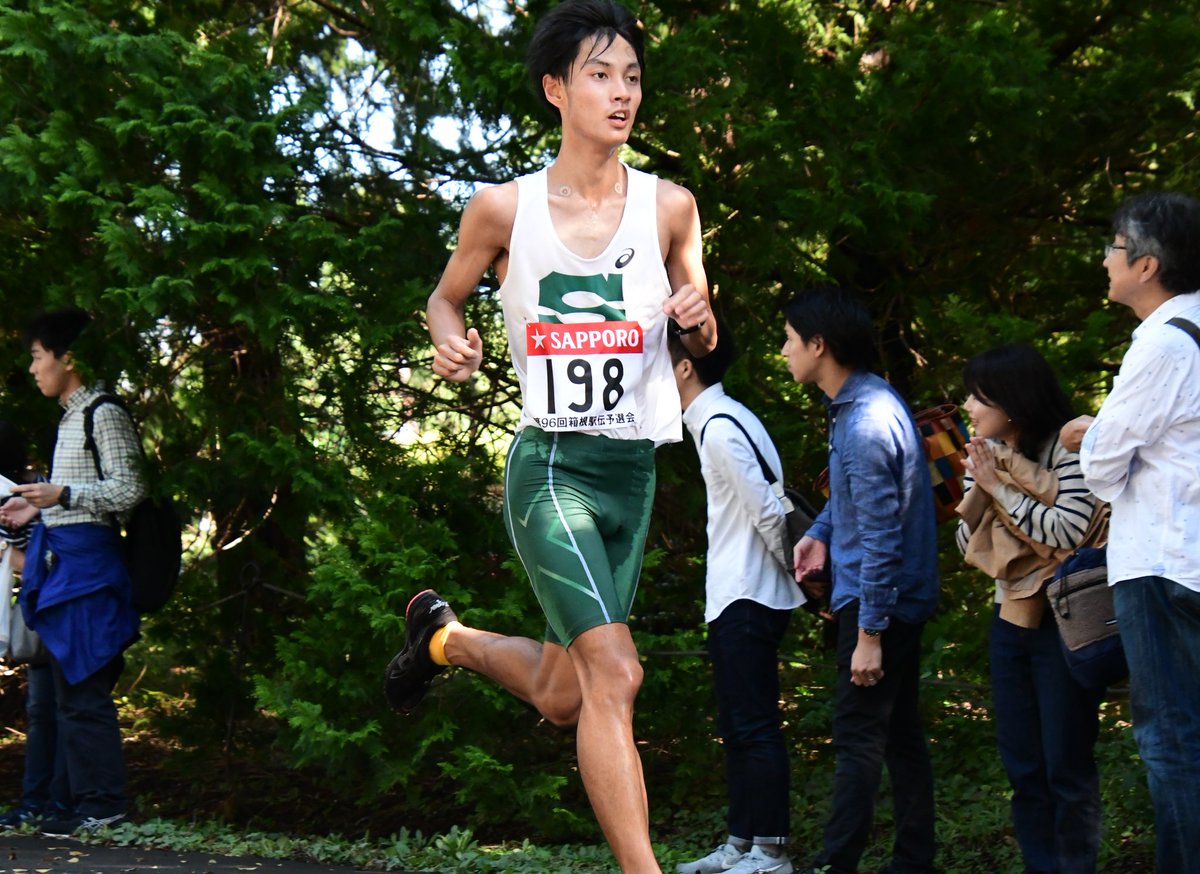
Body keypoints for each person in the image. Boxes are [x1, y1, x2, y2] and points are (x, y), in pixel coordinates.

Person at [383, 2, 715, 871]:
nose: (621, 92)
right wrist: (446, 336)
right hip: (554, 465)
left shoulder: (672, 207)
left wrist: (697, 316)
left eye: (632, 76)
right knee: (618, 675)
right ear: (555, 89)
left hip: (631, 472)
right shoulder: (503, 209)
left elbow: (703, 330)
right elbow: (445, 295)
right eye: (600, 75)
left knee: (568, 693)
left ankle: (443, 640)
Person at [1060, 191, 1200, 874]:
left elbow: (1104, 469)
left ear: (1146, 265)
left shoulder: (1163, 345)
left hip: (1164, 564)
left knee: (1171, 737)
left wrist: (1094, 436)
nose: (1105, 258)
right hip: (1188, 556)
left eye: (1114, 247)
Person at [783, 286, 938, 874]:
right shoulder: (864, 404)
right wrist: (819, 528)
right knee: (898, 735)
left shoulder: (867, 420)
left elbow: (881, 536)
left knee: (857, 738)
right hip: (893, 598)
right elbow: (859, 501)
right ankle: (913, 860)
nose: (784, 351)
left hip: (880, 602)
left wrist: (869, 631)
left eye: (791, 340)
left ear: (819, 345)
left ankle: (836, 863)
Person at [954, 344, 1106, 874]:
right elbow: (963, 540)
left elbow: (1070, 532)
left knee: (1066, 763)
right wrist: (986, 487)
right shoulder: (986, 450)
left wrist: (1002, 489)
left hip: (1066, 620)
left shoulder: (1068, 449)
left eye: (978, 396)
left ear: (1012, 399)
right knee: (1022, 763)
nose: (967, 406)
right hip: (1009, 617)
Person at [0, 308, 146, 837]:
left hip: (89, 571)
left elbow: (129, 490)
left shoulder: (101, 412)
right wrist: (37, 509)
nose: (34, 369)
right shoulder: (68, 415)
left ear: (68, 357)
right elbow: (80, 500)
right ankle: (72, 805)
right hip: (65, 568)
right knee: (65, 697)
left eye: (39, 357)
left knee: (84, 693)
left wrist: (61, 495)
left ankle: (103, 806)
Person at [669, 324, 803, 874]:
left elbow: (770, 513)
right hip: (736, 595)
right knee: (738, 725)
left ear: (683, 367)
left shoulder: (722, 429)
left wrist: (799, 577)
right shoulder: (723, 420)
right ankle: (741, 843)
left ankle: (770, 851)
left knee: (754, 725)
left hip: (749, 596)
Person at [0, 421, 70, 829]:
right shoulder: (33, 488)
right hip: (39, 611)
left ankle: (57, 802)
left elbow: (39, 566)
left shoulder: (38, 495)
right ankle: (36, 802)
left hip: (56, 609)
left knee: (59, 708)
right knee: (43, 709)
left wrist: (7, 555)